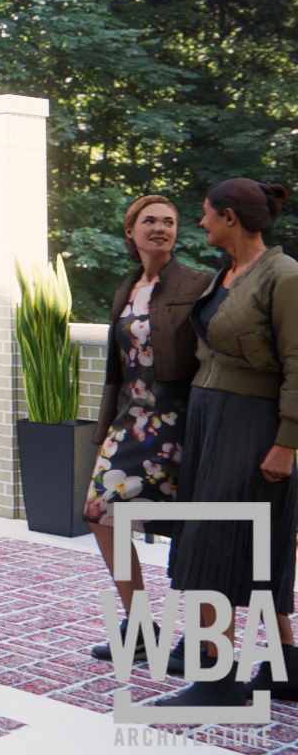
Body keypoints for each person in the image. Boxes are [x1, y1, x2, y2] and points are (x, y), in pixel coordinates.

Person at [156, 178, 298, 708]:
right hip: (210, 420)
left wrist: (287, 443)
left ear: (231, 218)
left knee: (215, 546)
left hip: (254, 424)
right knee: (250, 549)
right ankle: (287, 669)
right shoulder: (228, 275)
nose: (200, 223)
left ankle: (217, 680)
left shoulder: (283, 276)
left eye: (207, 214)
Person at [81, 195, 210, 666]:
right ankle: (140, 627)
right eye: (150, 221)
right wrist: (106, 424)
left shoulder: (199, 284)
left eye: (169, 222)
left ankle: (201, 640)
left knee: (184, 528)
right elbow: (118, 366)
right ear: (130, 231)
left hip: (175, 418)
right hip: (130, 419)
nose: (161, 228)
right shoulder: (128, 284)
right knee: (99, 514)